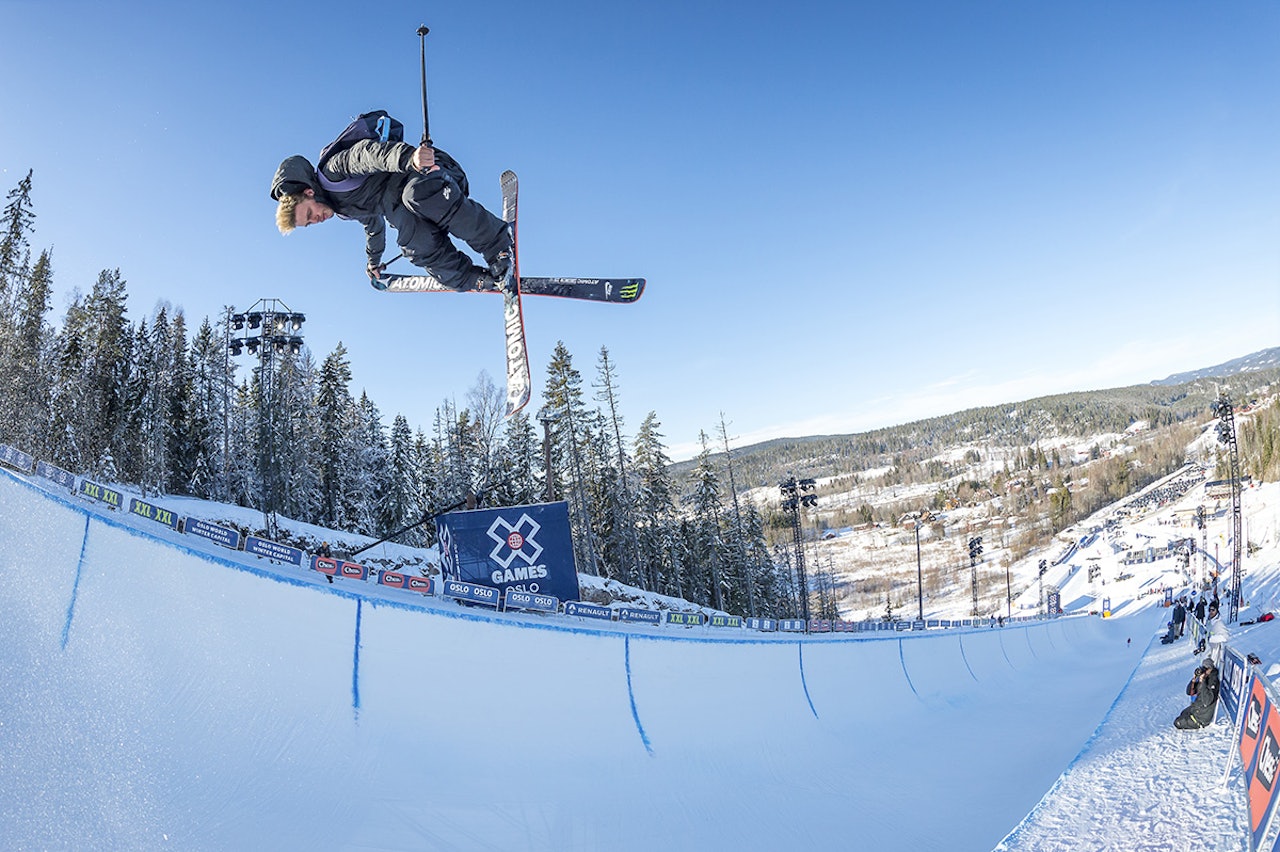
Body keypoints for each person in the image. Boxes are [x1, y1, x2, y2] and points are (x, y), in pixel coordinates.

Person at [270, 113, 512, 292]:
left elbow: (368, 155)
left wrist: (410, 158)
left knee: (416, 195)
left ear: (309, 193)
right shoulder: (342, 208)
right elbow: (373, 227)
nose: (317, 220)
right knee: (412, 243)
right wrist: (373, 263)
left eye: (310, 214)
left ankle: (497, 246)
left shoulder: (333, 171)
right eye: (310, 224)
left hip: (430, 171)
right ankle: (472, 278)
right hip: (408, 204)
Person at [1174, 658, 1219, 730]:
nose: (1204, 671)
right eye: (1203, 668)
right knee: (1183, 713)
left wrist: (1203, 682)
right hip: (1196, 708)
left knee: (1177, 723)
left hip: (1202, 717)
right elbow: (1189, 692)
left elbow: (1207, 701)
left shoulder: (1213, 681)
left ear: (1210, 669)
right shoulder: (1204, 677)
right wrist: (1194, 680)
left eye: (1206, 669)